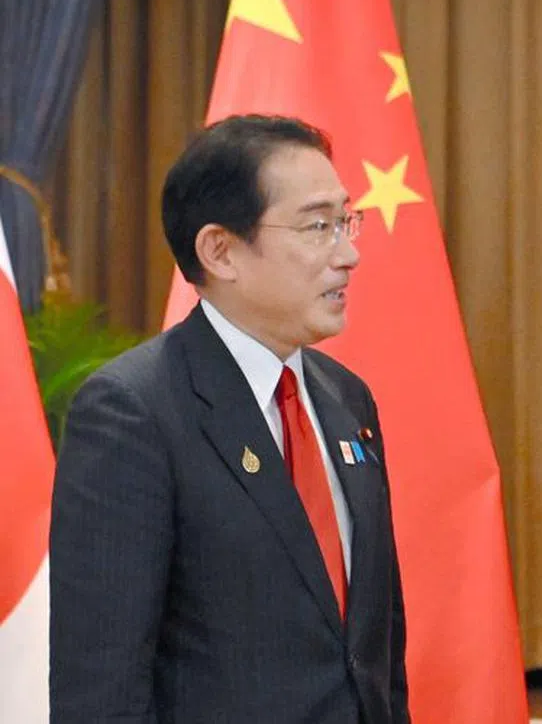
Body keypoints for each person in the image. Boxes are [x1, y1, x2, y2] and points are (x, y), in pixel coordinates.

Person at [50, 114, 410, 724]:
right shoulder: (133, 413)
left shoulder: (348, 402)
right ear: (220, 250)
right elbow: (101, 689)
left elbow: (377, 655)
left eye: (346, 222)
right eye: (318, 226)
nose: (347, 254)